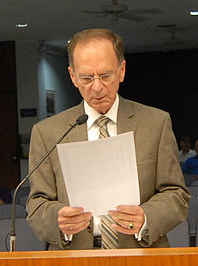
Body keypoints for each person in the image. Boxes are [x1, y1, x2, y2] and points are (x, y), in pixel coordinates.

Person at [26, 28, 190, 250]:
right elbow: (36, 205)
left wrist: (146, 217)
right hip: (74, 257)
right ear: (72, 76)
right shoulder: (47, 133)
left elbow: (176, 194)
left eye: (105, 75)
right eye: (86, 77)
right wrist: (59, 220)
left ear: (122, 71)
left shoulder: (155, 123)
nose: (97, 87)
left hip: (142, 254)